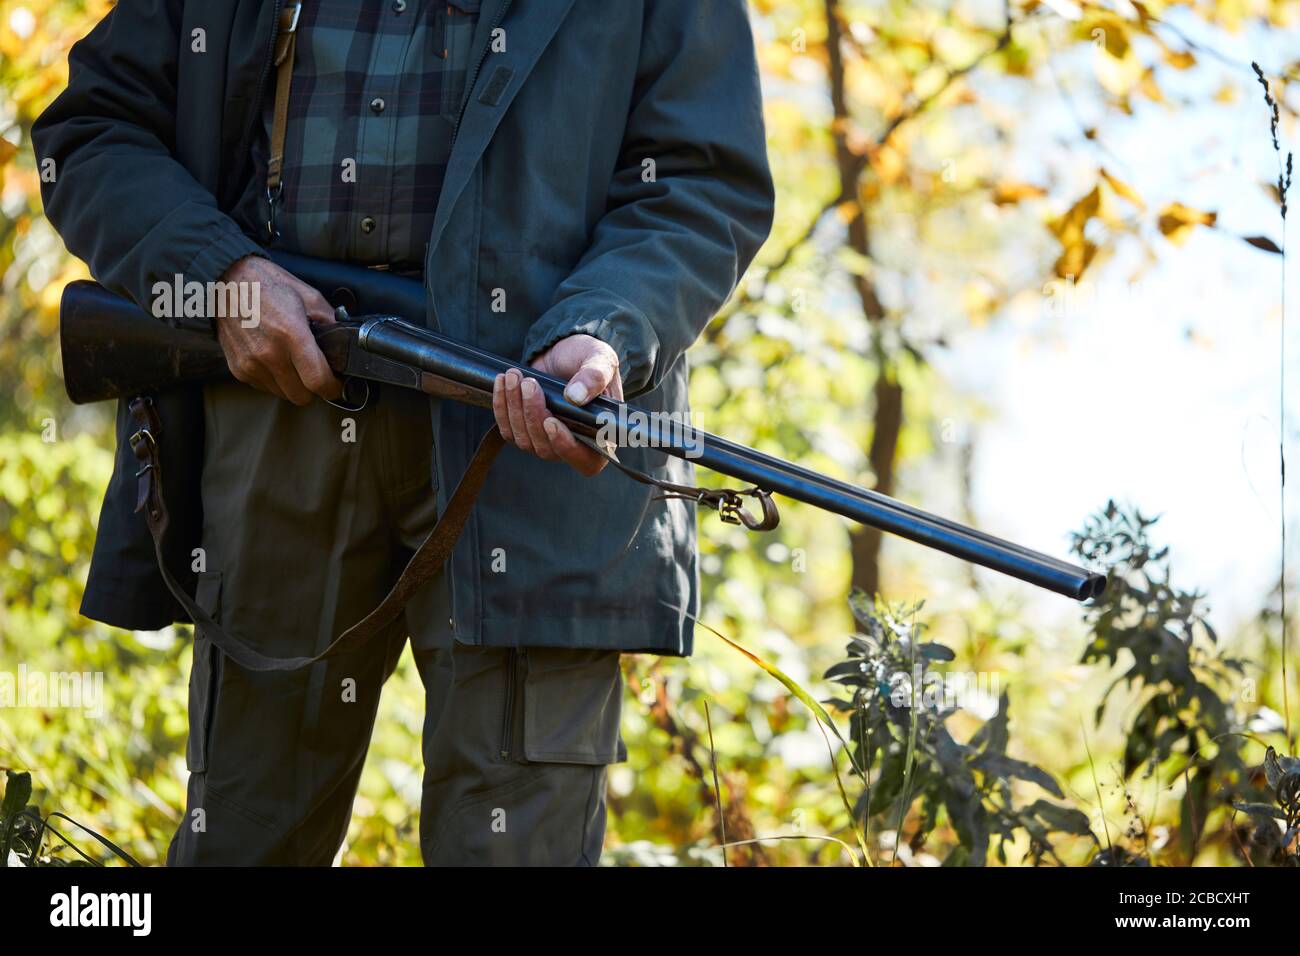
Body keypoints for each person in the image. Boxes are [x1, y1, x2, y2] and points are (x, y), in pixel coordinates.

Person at [34, 0, 773, 865]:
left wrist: (605, 327)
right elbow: (91, 131)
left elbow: (699, 183)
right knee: (244, 836)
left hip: (534, 447)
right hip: (283, 417)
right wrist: (220, 274)